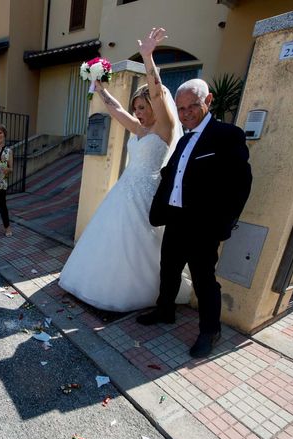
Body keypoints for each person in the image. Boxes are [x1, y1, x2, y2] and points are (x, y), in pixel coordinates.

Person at [59, 28, 191, 311]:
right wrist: (100, 87)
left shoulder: (165, 127)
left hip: (146, 193)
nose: (139, 113)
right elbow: (117, 111)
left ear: (156, 106)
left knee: (140, 244)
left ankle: (141, 293)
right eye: (137, 108)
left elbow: (156, 91)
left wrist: (148, 58)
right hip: (125, 189)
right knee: (110, 238)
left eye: (142, 107)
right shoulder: (139, 129)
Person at [138, 78, 252, 358]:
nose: (186, 113)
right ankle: (165, 311)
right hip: (176, 219)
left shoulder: (227, 135)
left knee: (204, 280)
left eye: (193, 106)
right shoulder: (185, 139)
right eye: (181, 108)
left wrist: (222, 225)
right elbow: (174, 175)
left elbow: (241, 184)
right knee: (169, 269)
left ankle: (210, 331)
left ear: (208, 101)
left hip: (204, 227)